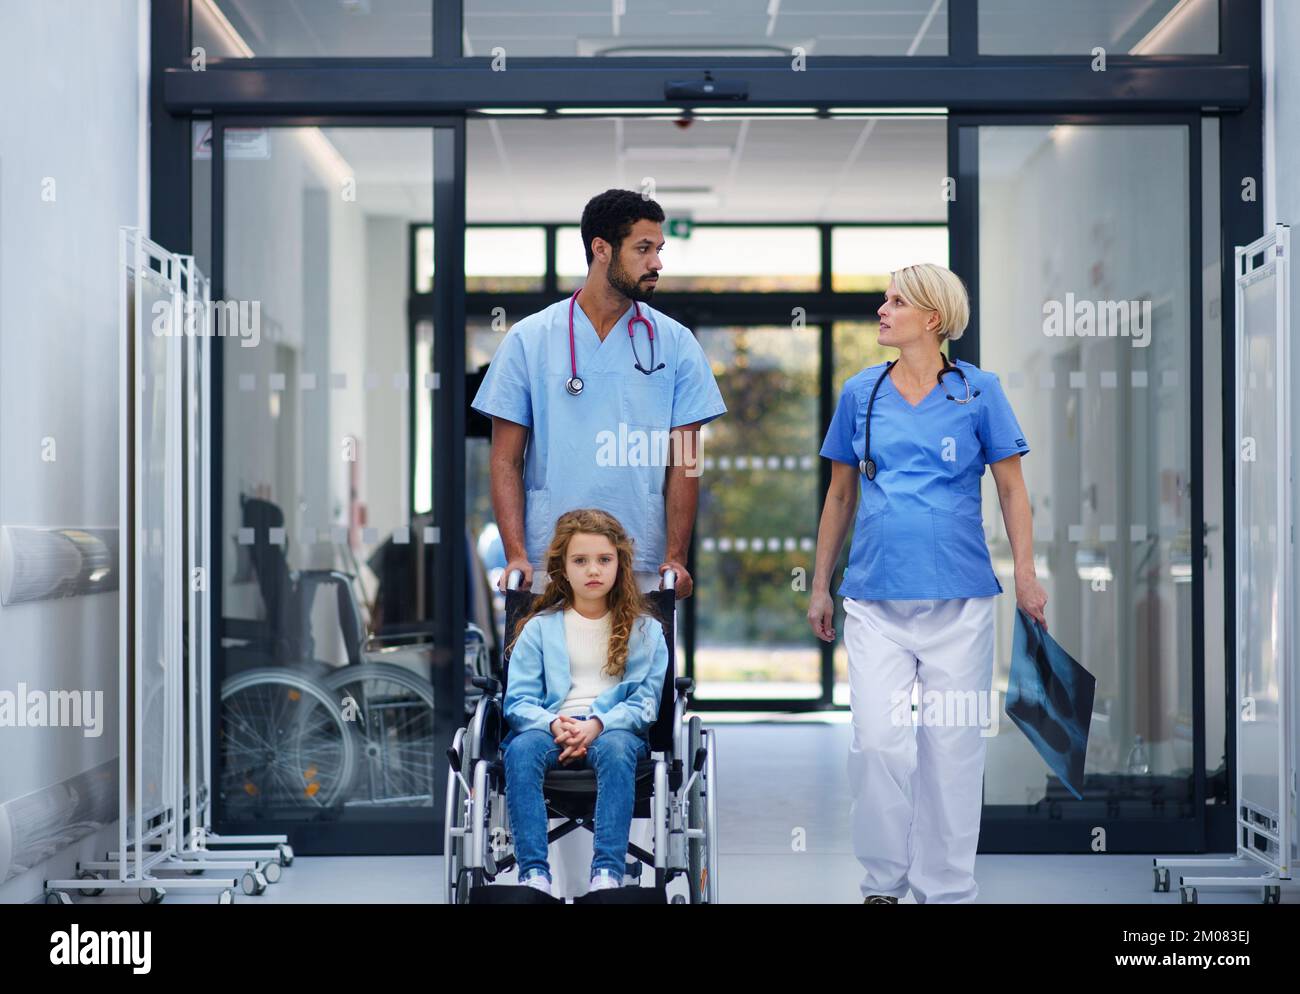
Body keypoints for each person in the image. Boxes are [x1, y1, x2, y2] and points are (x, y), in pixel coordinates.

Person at [807, 262, 1048, 904]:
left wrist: (1025, 574)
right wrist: (820, 585)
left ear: (932, 319)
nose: (881, 310)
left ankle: (945, 889)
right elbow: (839, 496)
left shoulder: (979, 392)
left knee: (951, 748)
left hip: (961, 600)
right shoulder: (862, 393)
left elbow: (1012, 489)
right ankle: (884, 881)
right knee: (879, 744)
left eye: (895, 302)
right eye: (884, 300)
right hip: (875, 598)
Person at [470, 188, 727, 602]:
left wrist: (675, 557)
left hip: (639, 561)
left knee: (639, 667)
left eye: (659, 249)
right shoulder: (530, 340)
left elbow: (686, 460)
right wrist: (516, 554)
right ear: (601, 249)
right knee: (550, 666)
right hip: (550, 559)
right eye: (643, 248)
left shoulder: (676, 343)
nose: (656, 262)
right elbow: (504, 460)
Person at [502, 508, 669, 897]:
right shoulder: (539, 628)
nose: (593, 569)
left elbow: (646, 702)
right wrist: (551, 724)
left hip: (615, 730)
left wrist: (598, 724)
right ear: (562, 568)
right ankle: (534, 874)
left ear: (619, 564)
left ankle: (607, 873)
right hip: (552, 727)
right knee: (521, 749)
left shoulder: (646, 631)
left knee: (614, 747)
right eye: (580, 560)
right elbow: (518, 701)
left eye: (604, 559)